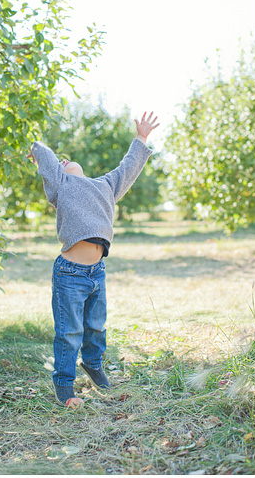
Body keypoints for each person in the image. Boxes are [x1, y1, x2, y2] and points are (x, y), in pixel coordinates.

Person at [28, 112, 159, 407]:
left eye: (67, 159)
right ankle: (64, 382)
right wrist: (37, 148)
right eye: (61, 162)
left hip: (96, 272)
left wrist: (141, 138)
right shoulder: (61, 185)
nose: (64, 161)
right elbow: (48, 161)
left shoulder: (104, 185)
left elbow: (128, 168)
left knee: (97, 326)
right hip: (70, 273)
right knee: (70, 330)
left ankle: (93, 363)